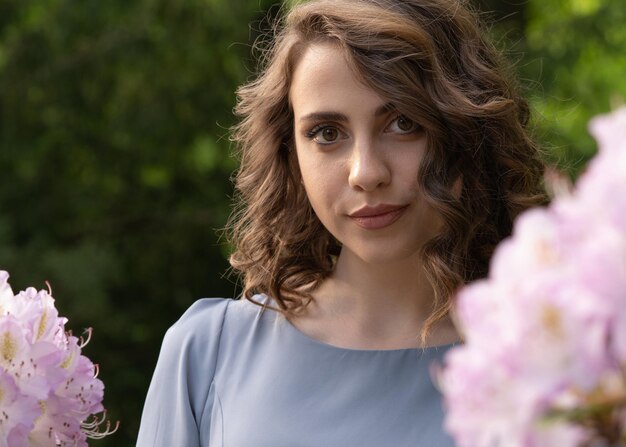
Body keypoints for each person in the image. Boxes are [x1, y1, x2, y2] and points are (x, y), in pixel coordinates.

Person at [136, 0, 547, 445]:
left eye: (404, 123)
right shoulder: (207, 354)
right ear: (290, 155)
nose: (365, 172)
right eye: (327, 133)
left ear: (466, 129)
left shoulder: (553, 359)